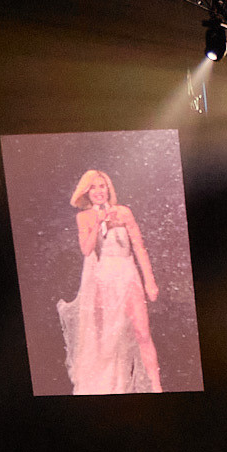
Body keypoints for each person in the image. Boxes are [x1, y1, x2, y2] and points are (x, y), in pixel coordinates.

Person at [57, 168, 162, 395]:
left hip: (128, 275)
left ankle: (156, 386)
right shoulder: (84, 217)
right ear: (86, 192)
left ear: (108, 188)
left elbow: (139, 247)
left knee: (142, 332)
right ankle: (110, 386)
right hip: (104, 279)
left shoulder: (123, 212)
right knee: (108, 338)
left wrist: (149, 281)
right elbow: (86, 250)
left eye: (102, 186)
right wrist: (97, 223)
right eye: (93, 187)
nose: (98, 191)